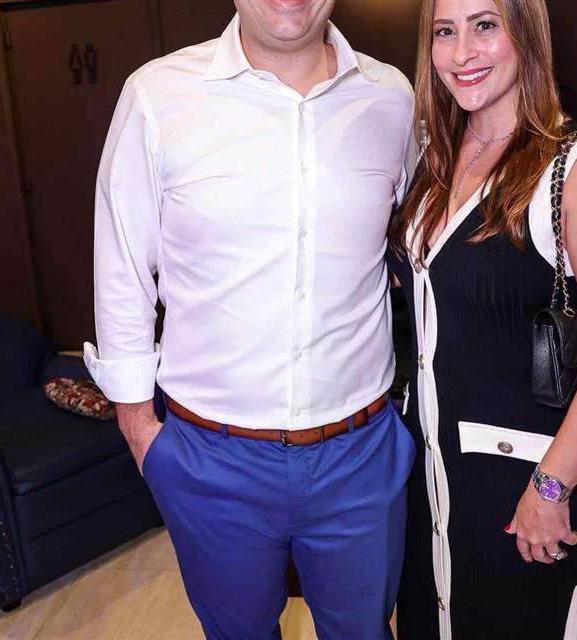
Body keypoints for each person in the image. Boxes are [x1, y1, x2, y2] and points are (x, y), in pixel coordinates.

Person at [83, 1, 417, 637]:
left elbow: (411, 235)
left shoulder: (393, 96)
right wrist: (140, 429)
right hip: (209, 459)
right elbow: (122, 267)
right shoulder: (157, 95)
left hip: (361, 455)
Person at [387, 1, 577, 638]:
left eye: (485, 26)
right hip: (436, 489)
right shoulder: (434, 162)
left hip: (539, 494)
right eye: (445, 32)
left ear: (526, 34)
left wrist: (551, 487)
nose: (462, 53)